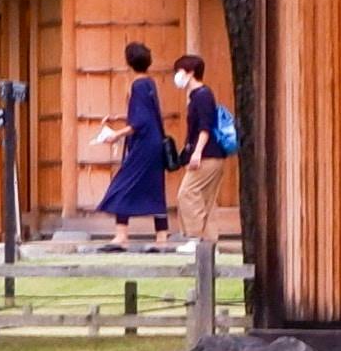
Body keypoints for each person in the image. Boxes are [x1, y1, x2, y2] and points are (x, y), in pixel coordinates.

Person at [95, 39, 176, 250]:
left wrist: (116, 134)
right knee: (154, 187)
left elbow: (140, 122)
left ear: (128, 62)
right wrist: (119, 118)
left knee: (122, 184)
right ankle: (161, 236)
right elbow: (146, 115)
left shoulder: (137, 85)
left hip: (143, 144)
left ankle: (121, 235)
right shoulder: (149, 83)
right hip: (155, 141)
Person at [167, 51, 239, 253]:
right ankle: (208, 243)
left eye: (180, 71)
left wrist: (197, 152)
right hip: (212, 156)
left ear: (190, 72)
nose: (177, 76)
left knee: (187, 193)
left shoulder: (202, 96)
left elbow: (205, 127)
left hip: (207, 155)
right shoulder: (199, 96)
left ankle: (195, 237)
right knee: (207, 199)